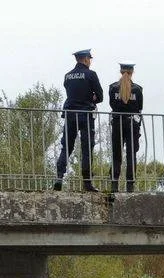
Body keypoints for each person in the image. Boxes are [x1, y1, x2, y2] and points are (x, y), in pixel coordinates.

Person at [54, 49, 103, 192]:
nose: (90, 61)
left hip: (70, 114)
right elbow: (100, 96)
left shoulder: (67, 76)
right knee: (87, 148)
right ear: (86, 59)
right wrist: (92, 97)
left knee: (66, 147)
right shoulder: (91, 74)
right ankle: (87, 182)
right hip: (85, 114)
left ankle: (58, 178)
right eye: (90, 58)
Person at [108, 63, 144, 193]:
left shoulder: (112, 88)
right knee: (131, 155)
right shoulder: (138, 89)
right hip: (132, 125)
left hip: (117, 123)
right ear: (132, 72)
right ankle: (130, 184)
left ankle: (114, 183)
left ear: (120, 71)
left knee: (116, 154)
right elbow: (139, 108)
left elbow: (112, 105)